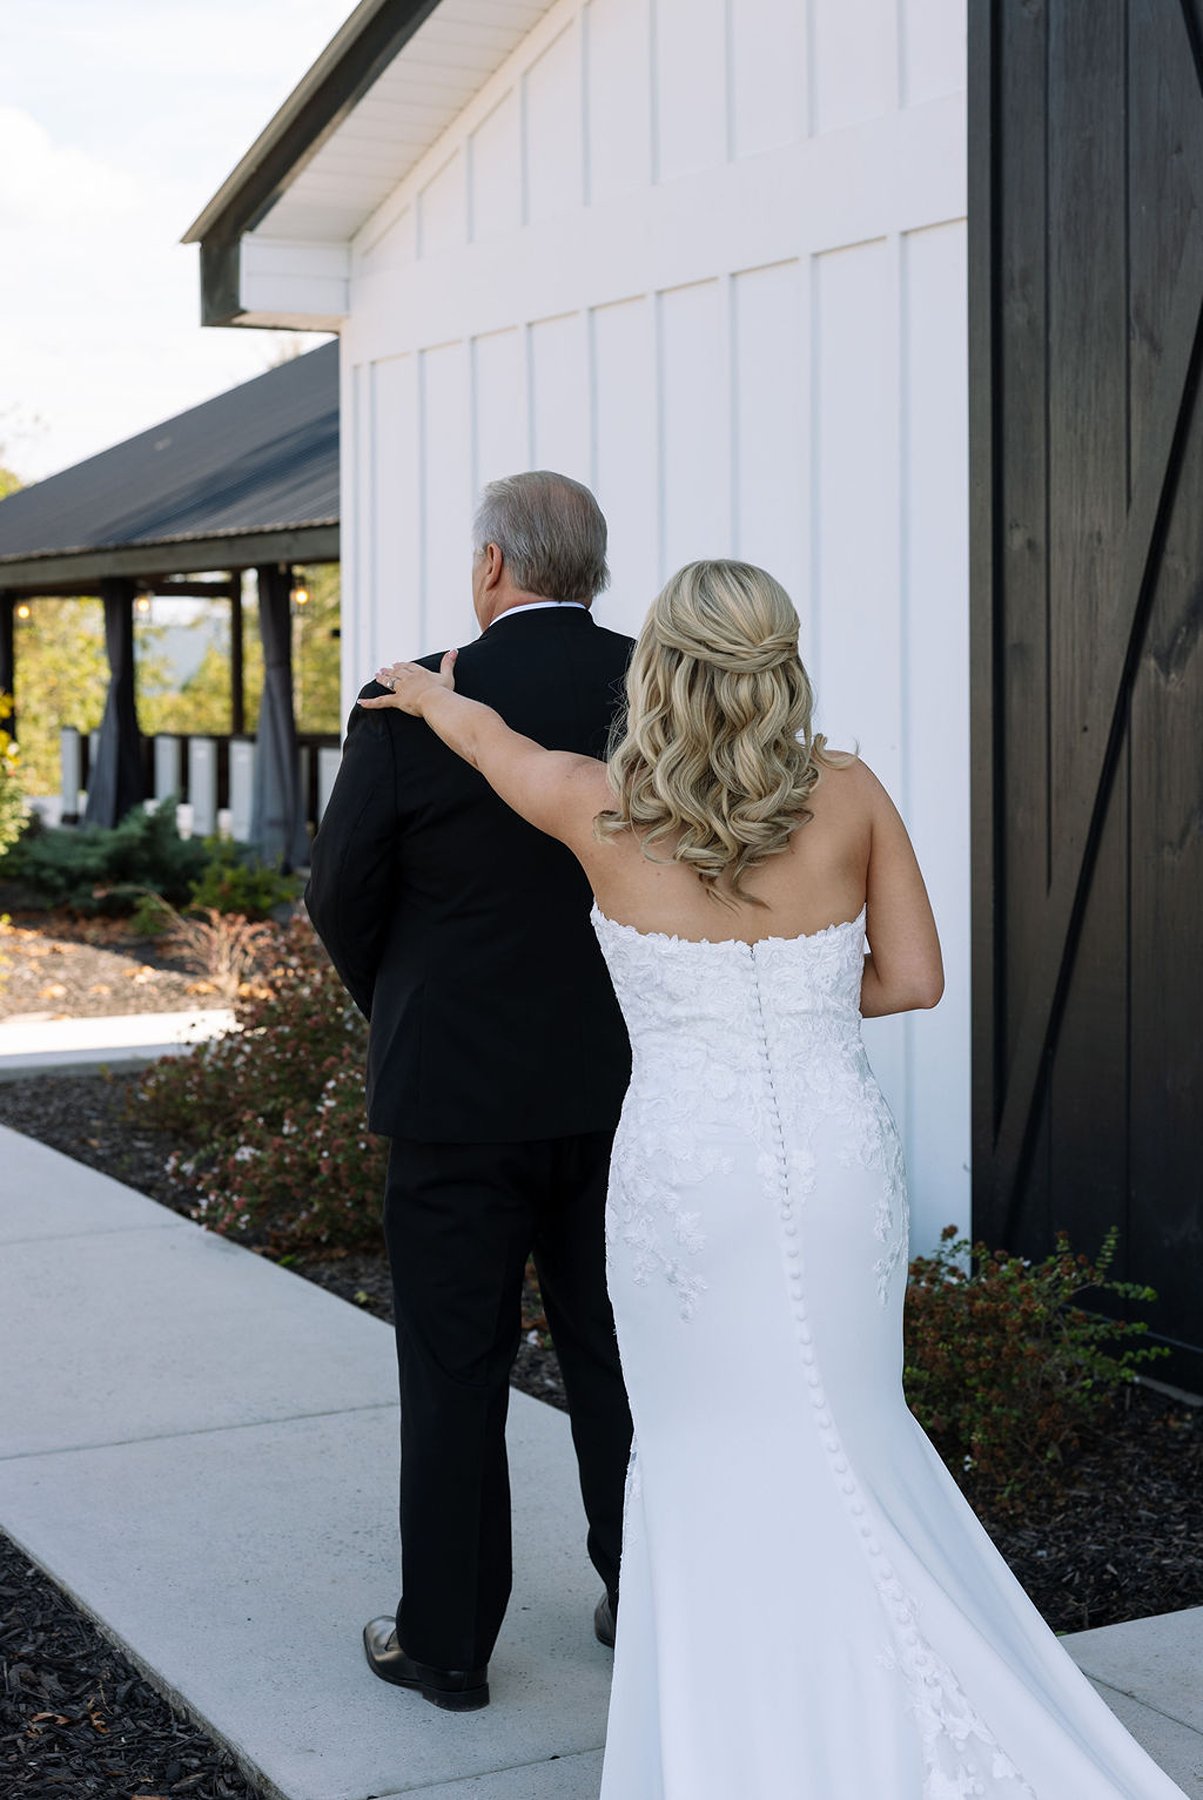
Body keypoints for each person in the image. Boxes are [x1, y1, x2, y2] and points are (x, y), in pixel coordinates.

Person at [361, 558, 1190, 1797]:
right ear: (782, 665)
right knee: (848, 1427)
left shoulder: (597, 806)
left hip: (685, 1173)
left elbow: (486, 745)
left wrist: (428, 697)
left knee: (700, 1446)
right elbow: (912, 981)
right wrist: (801, 1000)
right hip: (831, 1154)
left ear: (660, 672)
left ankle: (744, 1738)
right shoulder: (848, 795)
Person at [305, 471, 635, 1713]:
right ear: (588, 570)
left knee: (454, 1365)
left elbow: (342, 894)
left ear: (493, 566)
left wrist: (405, 1008)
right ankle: (642, 1595)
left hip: (453, 1097)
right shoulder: (663, 685)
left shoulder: (413, 697)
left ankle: (445, 1646)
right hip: (622, 1083)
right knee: (617, 1355)